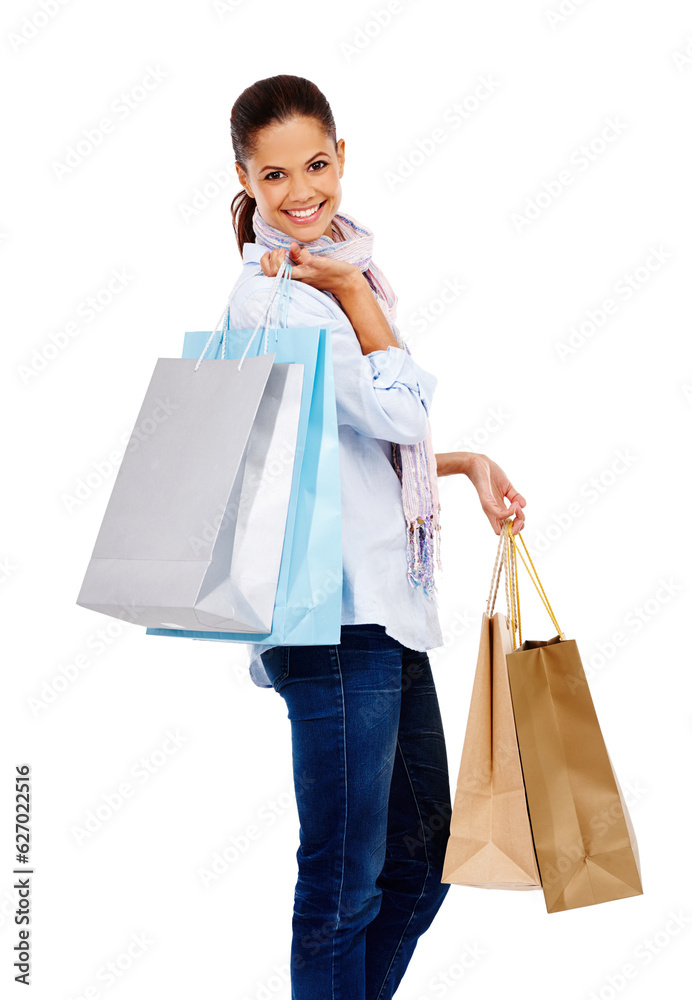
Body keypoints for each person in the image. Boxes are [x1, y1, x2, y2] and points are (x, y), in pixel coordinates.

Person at [227, 74, 526, 999]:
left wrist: (466, 461)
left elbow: (349, 446)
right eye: (274, 177)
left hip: (380, 618)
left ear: (341, 159)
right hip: (328, 621)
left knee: (422, 855)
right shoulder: (279, 299)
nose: (300, 192)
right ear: (244, 177)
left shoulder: (330, 276)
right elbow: (395, 408)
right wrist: (358, 299)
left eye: (315, 165)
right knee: (342, 888)